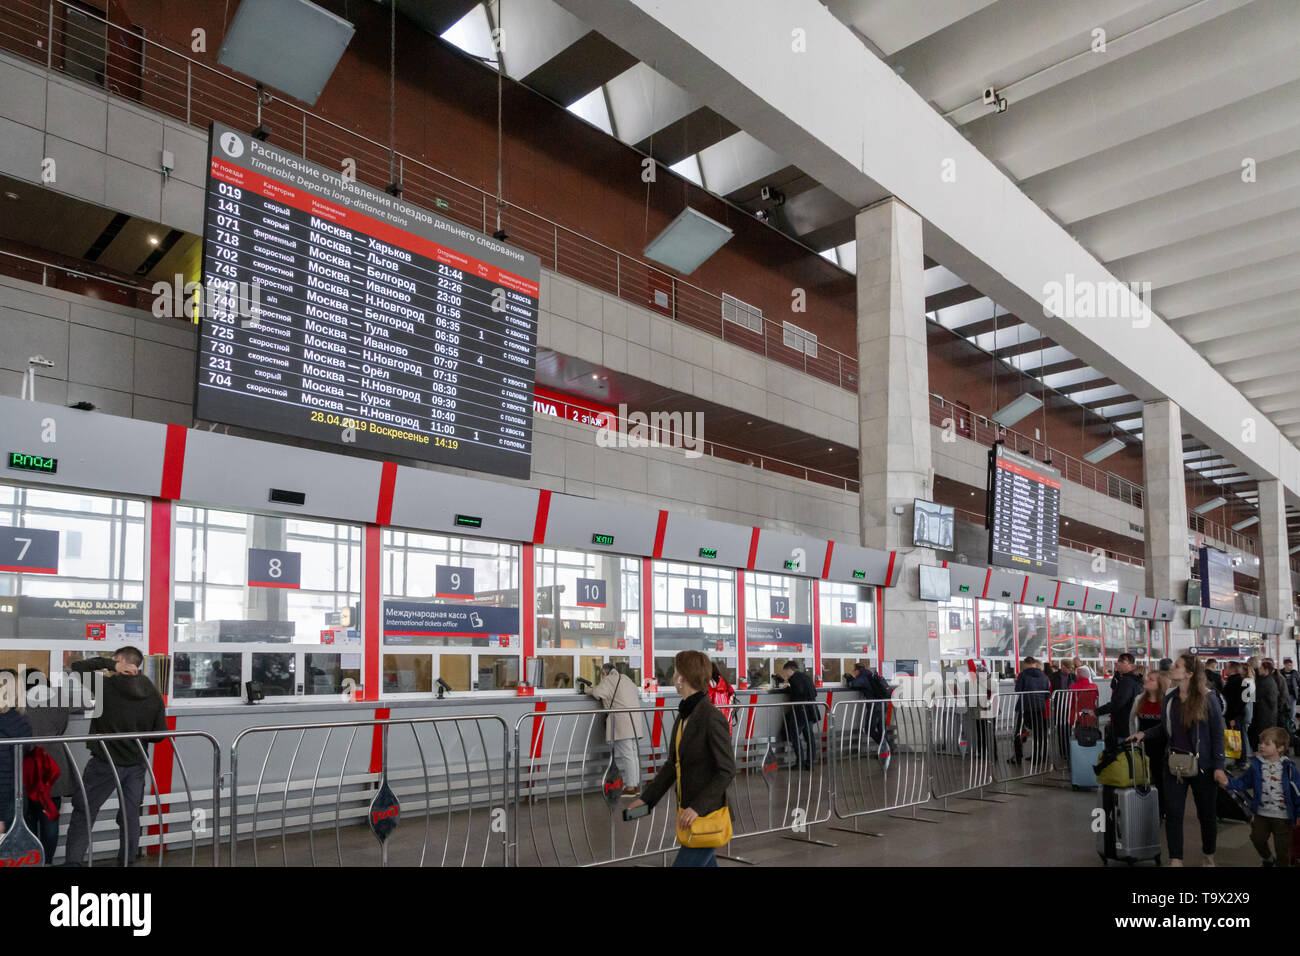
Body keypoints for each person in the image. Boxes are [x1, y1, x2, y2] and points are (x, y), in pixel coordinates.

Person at [628, 650, 737, 867]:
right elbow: (672, 765)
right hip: (690, 815)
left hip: (705, 815)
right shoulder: (684, 715)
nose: (672, 675)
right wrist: (646, 800)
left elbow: (726, 770)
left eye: (676, 670)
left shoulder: (711, 718)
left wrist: (697, 807)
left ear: (682, 677)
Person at [64, 646, 167, 867]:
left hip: (104, 764)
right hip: (137, 765)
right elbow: (159, 735)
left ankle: (73, 863)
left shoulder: (105, 686)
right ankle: (127, 862)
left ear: (120, 661)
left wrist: (111, 665)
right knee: (130, 817)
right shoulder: (153, 692)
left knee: (85, 812)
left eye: (114, 661)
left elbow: (77, 666)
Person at [1130, 654, 1228, 867]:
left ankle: (1208, 855)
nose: (1172, 668)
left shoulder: (1209, 698)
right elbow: (1166, 728)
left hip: (1203, 766)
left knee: (1207, 815)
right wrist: (1144, 734)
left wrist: (1219, 767)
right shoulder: (1170, 698)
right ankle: (1176, 859)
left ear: (1189, 674)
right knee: (1174, 814)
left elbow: (1219, 735)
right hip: (1173, 763)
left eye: (1177, 666)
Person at [1221, 726, 1299, 866]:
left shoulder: (1288, 768)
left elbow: (1297, 791)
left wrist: (1298, 813)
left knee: (1283, 849)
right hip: (1261, 814)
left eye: (1267, 744)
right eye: (1260, 743)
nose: (1261, 746)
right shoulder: (1257, 766)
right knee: (1257, 838)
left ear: (1280, 748)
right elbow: (1244, 782)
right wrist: (1228, 783)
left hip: (1283, 816)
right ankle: (1268, 859)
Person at [22, 669, 74, 862]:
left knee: (28, 819)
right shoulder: (59, 701)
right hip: (53, 764)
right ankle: (47, 861)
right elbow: (61, 728)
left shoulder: (20, 704)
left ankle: (31, 860)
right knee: (50, 818)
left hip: (27, 765)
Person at [586, 663, 644, 796]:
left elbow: (598, 692)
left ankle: (630, 788)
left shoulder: (609, 679)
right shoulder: (626, 678)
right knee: (632, 754)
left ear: (604, 673)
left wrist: (589, 689)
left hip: (622, 722)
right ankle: (635, 785)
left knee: (628, 755)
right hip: (634, 720)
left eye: (601, 675)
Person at [1131, 668, 1172, 819]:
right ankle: (1149, 808)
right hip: (1144, 746)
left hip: (1163, 747)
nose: (1146, 680)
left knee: (1161, 779)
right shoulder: (1139, 700)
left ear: (1160, 683)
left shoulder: (1167, 702)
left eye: (1151, 679)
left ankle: (1162, 810)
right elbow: (1133, 722)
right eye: (1147, 677)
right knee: (1147, 777)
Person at [0, 668, 33, 838]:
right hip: (17, 796)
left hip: (4, 801)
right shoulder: (20, 720)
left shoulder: (4, 724)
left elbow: (3, 772)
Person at [777, 661, 818, 770]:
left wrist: (788, 688)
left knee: (795, 736)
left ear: (790, 670)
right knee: (810, 738)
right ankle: (810, 764)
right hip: (810, 711)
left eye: (786, 672)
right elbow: (814, 692)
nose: (786, 674)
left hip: (800, 712)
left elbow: (799, 690)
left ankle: (800, 763)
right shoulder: (807, 677)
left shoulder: (794, 678)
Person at [1097, 652, 1143, 743]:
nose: (1117, 663)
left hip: (1125, 726)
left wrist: (1097, 712)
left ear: (1131, 665)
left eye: (1122, 661)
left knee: (1123, 753)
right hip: (1128, 724)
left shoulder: (1127, 681)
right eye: (1118, 660)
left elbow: (1118, 703)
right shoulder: (1130, 679)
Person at [1012, 657, 1050, 766]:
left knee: (1018, 732)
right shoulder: (1044, 676)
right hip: (1039, 708)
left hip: (1024, 707)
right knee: (1038, 734)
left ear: (1026, 664)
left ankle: (1018, 758)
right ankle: (1037, 757)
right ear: (1034, 663)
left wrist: (1016, 682)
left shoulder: (1023, 675)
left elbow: (1018, 690)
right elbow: (1047, 694)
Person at [1253, 659, 1279, 754]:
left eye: (1261, 668)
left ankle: (1266, 755)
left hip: (1265, 715)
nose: (1259, 670)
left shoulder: (1265, 682)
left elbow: (1255, 697)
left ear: (1266, 670)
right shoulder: (1268, 680)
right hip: (1268, 714)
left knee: (1265, 736)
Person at [708, 663, 735, 732]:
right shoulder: (724, 681)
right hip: (725, 714)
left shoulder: (708, 684)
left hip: (713, 716)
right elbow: (731, 691)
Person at [1242, 657, 1259, 758]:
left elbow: (1244, 699)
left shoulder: (1245, 681)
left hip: (1247, 707)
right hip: (1251, 705)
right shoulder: (1252, 680)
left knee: (1245, 732)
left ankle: (1247, 752)